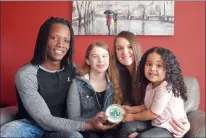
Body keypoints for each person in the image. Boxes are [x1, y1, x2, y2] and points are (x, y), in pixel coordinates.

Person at [0, 17, 114, 138]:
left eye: (66, 40)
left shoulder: (73, 69)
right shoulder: (26, 74)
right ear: (43, 39)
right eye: (54, 38)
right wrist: (89, 125)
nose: (60, 45)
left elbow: (96, 78)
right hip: (30, 125)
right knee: (7, 132)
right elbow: (45, 119)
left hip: (63, 127)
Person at [113, 31, 190, 138]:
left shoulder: (163, 86)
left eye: (159, 65)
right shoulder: (150, 84)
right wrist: (131, 109)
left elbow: (153, 112)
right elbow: (147, 105)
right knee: (126, 128)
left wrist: (132, 117)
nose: (152, 68)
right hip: (153, 122)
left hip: (168, 126)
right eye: (119, 48)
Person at [67, 41, 122, 138]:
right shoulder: (76, 84)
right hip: (87, 130)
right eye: (95, 56)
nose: (100, 60)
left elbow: (119, 112)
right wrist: (93, 120)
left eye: (104, 56)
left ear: (109, 59)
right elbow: (73, 119)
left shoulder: (115, 82)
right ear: (88, 60)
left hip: (111, 130)